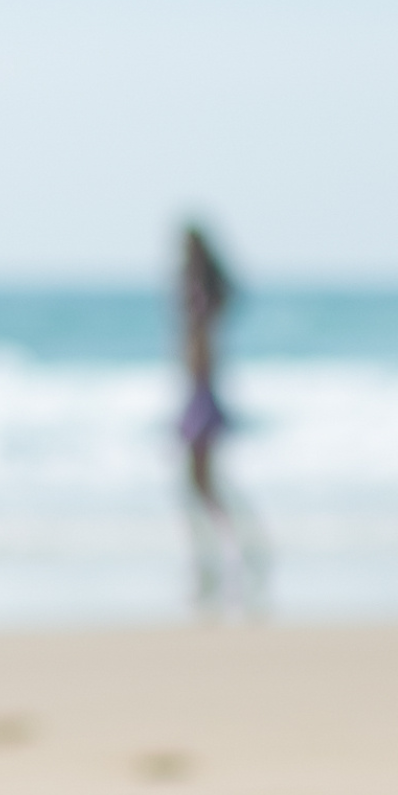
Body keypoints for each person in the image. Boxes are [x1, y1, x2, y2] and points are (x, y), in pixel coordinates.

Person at [174, 221, 264, 612]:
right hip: (199, 392)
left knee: (201, 485)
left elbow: (201, 346)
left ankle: (229, 557)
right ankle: (225, 556)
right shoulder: (200, 295)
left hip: (201, 395)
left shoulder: (199, 295)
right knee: (201, 484)